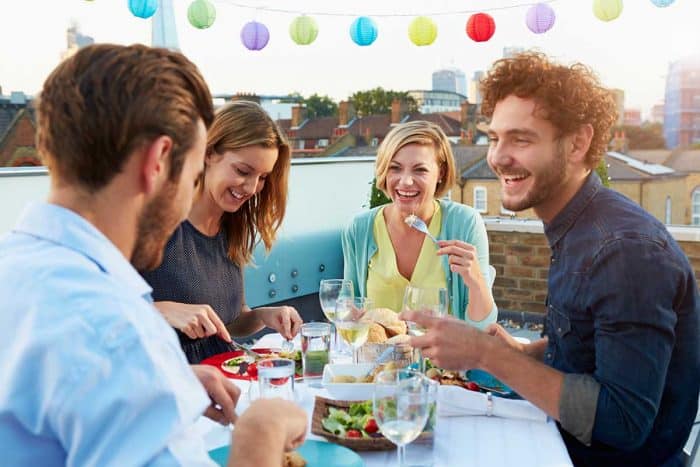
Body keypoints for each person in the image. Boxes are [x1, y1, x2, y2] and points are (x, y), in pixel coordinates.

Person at [0, 43, 306, 466]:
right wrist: (262, 430)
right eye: (195, 167)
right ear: (159, 161)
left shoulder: (16, 268)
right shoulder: (116, 330)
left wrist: (171, 381)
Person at [403, 52, 700, 467]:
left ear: (577, 143)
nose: (498, 157)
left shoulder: (624, 250)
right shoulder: (576, 226)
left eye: (521, 139)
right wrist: (527, 353)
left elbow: (624, 422)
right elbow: (592, 347)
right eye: (494, 137)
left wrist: (486, 356)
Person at [140, 100, 303, 363]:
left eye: (262, 178)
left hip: (225, 380)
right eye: (242, 171)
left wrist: (264, 316)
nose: (251, 188)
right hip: (170, 382)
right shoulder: (154, 221)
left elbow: (232, 321)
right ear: (209, 153)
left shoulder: (232, 228)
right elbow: (102, 311)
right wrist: (163, 310)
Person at [342, 120, 496, 327]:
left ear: (440, 172)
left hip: (443, 359)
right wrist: (347, 315)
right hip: (376, 358)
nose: (405, 181)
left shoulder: (464, 223)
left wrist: (476, 280)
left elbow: (483, 328)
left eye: (420, 170)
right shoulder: (360, 229)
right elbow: (347, 302)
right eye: (395, 168)